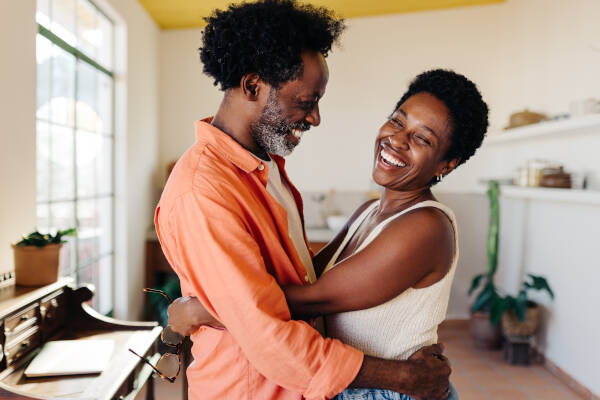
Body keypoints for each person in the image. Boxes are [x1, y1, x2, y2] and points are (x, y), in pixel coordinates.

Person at [154, 1, 451, 399]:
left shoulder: (265, 165)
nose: (315, 118)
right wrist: (402, 377)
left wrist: (202, 310)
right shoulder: (203, 192)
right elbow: (265, 334)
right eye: (306, 101)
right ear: (253, 86)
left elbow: (284, 288)